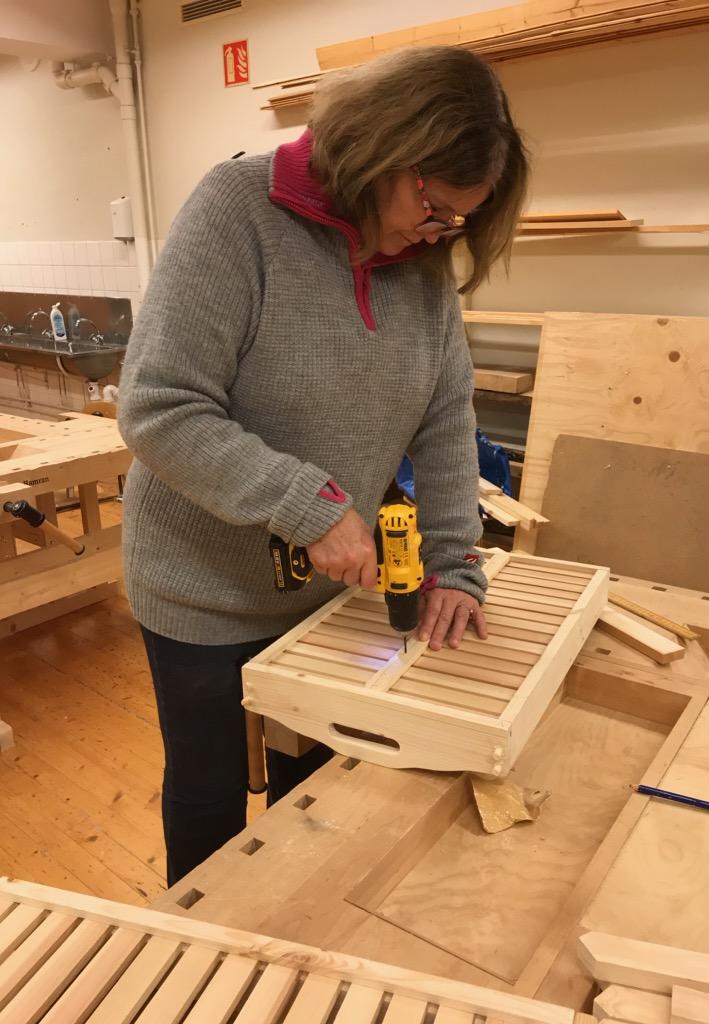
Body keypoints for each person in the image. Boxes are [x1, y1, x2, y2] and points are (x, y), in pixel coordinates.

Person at [118, 44, 529, 886]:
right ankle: (201, 940)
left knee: (314, 785)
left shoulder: (421, 262)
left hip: (325, 593)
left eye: (459, 223)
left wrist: (456, 562)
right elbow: (159, 408)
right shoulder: (238, 211)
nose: (441, 234)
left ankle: (291, 931)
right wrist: (309, 505)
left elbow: (445, 421)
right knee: (209, 791)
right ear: (385, 150)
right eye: (437, 209)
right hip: (201, 588)